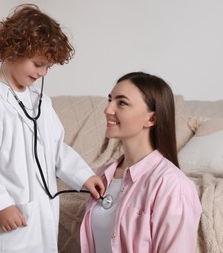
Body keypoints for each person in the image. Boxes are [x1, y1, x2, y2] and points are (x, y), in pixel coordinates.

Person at [0, 4, 104, 253]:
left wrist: (84, 176)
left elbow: (55, 148)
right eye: (38, 64)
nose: (42, 73)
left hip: (40, 207)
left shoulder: (39, 100)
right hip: (11, 209)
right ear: (11, 51)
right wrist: (1, 205)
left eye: (48, 67)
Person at [80, 72, 202, 253]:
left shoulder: (173, 185)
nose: (107, 110)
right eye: (110, 100)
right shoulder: (102, 175)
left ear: (151, 118)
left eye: (121, 103)